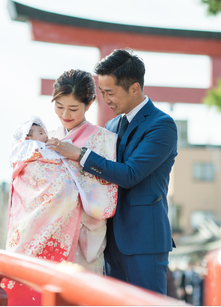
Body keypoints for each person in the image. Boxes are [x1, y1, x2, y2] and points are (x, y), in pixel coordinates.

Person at [47, 49, 178, 295]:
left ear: (134, 88)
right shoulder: (111, 125)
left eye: (110, 92)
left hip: (144, 240)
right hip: (109, 239)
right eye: (101, 92)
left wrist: (80, 154)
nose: (105, 99)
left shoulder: (162, 125)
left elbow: (130, 174)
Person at [1, 69, 118, 305]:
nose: (65, 114)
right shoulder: (44, 138)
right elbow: (27, 182)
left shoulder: (104, 139)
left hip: (82, 234)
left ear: (89, 104)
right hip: (43, 230)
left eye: (73, 109)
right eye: (59, 106)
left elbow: (105, 191)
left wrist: (74, 164)